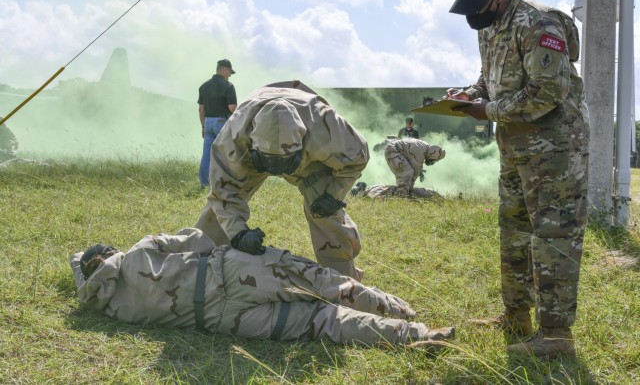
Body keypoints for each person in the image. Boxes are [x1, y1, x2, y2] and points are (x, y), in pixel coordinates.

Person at [448, 0, 589, 359]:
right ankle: (517, 316)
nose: (472, 15)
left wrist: (487, 110)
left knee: (553, 236)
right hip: (515, 144)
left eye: (478, 4)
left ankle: (557, 337)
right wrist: (468, 94)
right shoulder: (490, 25)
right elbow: (489, 77)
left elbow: (548, 94)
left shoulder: (539, 23)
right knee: (513, 229)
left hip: (555, 149)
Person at [70, 227, 455, 349]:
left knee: (325, 322)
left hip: (227, 320)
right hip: (232, 272)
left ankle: (418, 336)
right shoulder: (138, 251)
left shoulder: (112, 310)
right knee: (328, 283)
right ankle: (401, 310)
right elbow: (200, 240)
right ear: (110, 255)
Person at [194, 80, 368, 281]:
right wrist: (238, 233)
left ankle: (343, 280)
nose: (275, 172)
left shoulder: (327, 129)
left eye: (282, 164)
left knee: (324, 208)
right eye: (268, 162)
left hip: (307, 157)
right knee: (218, 209)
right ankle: (196, 265)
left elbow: (357, 159)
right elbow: (223, 193)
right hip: (256, 155)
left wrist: (333, 194)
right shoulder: (234, 136)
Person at [198, 59, 238, 187]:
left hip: (208, 122)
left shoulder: (204, 86)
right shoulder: (228, 86)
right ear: (224, 69)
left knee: (207, 155)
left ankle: (204, 183)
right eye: (229, 72)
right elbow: (232, 108)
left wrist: (203, 126)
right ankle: (224, 183)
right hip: (222, 123)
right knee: (226, 154)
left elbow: (201, 109)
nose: (230, 75)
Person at [381, 137, 445, 197]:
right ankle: (401, 196)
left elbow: (415, 164)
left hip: (393, 149)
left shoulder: (424, 147)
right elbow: (415, 171)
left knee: (407, 173)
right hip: (393, 150)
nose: (434, 161)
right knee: (407, 172)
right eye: (436, 159)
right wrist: (410, 187)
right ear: (434, 154)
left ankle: (402, 193)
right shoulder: (420, 151)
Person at [350, 181, 441, 200]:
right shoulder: (374, 186)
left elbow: (382, 199)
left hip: (402, 194)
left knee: (428, 196)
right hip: (403, 190)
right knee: (430, 193)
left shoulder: (371, 194)